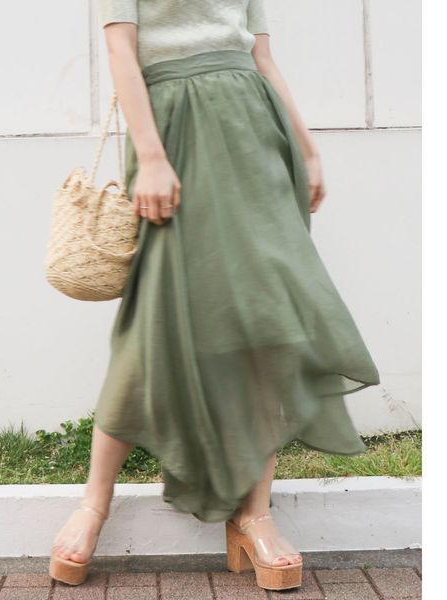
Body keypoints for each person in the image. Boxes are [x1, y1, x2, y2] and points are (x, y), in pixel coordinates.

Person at [49, 0, 381, 591]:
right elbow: (121, 49)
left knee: (268, 318)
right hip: (172, 129)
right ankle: (94, 503)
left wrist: (306, 149)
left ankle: (254, 514)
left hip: (255, 130)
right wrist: (152, 157)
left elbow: (262, 58)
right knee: (156, 317)